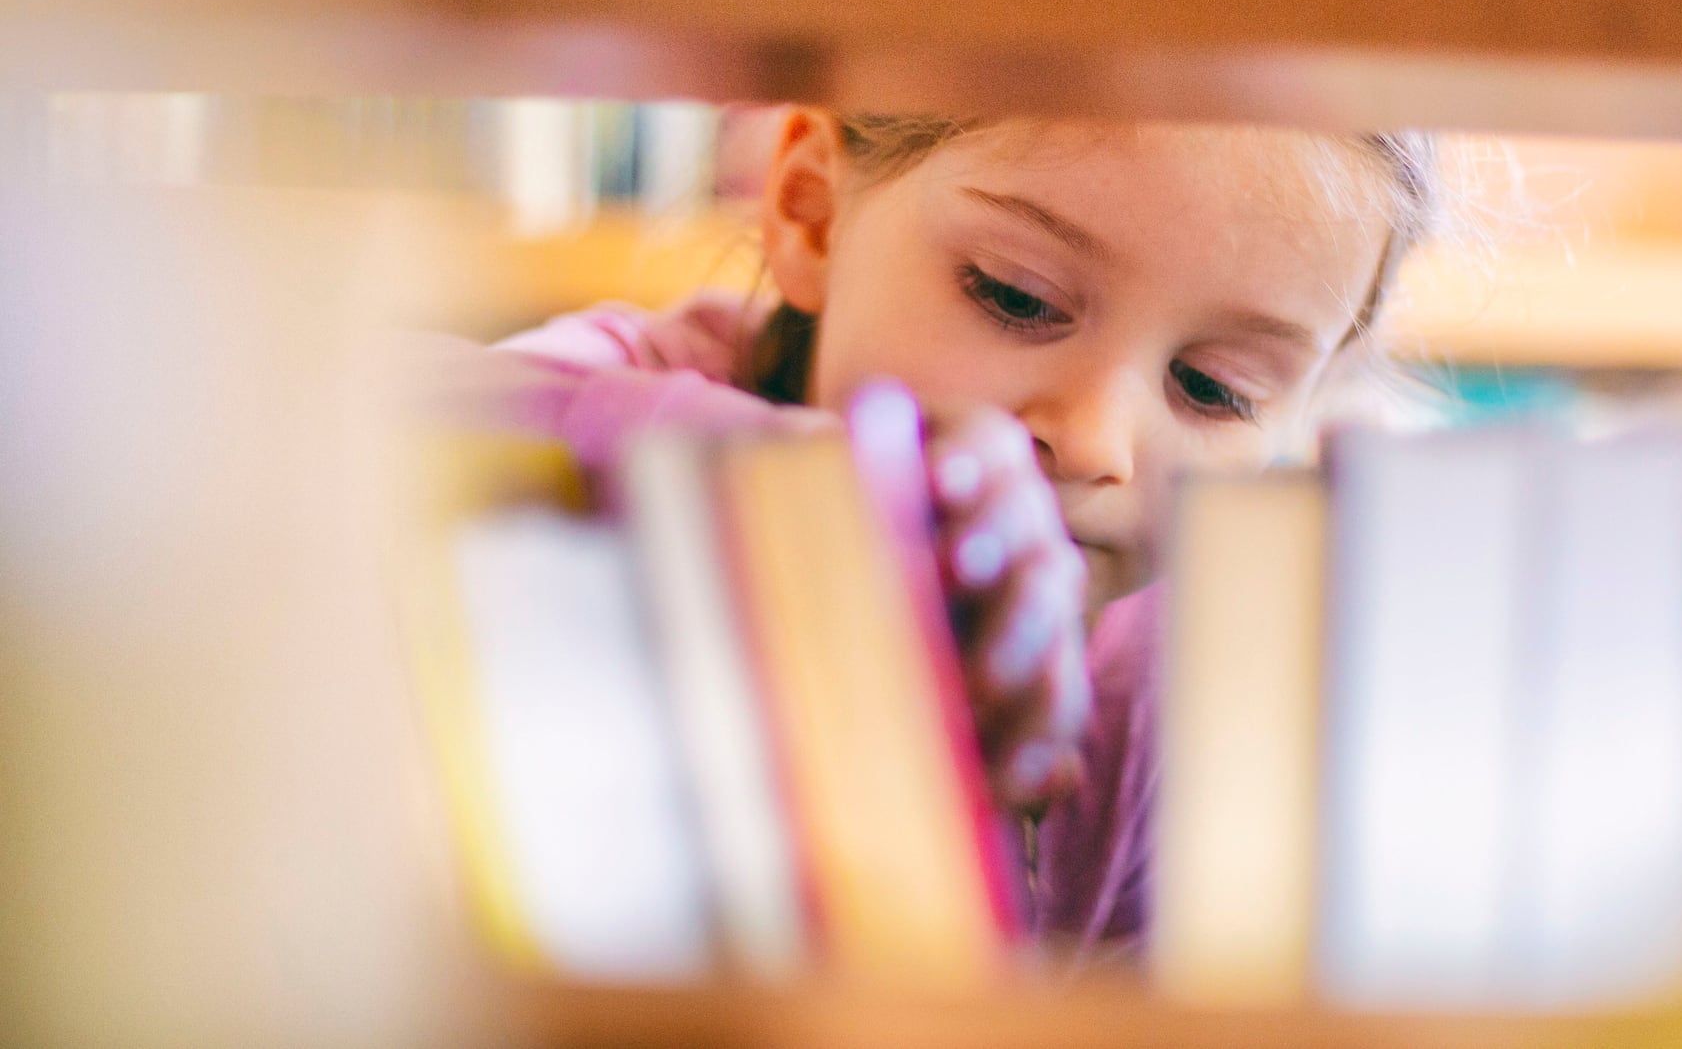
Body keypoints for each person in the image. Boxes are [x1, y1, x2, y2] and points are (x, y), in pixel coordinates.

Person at [435, 107, 1433, 960]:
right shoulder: (638, 383)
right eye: (1015, 296)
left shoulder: (1198, 678)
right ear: (811, 213)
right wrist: (835, 493)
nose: (1092, 441)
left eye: (1214, 391)